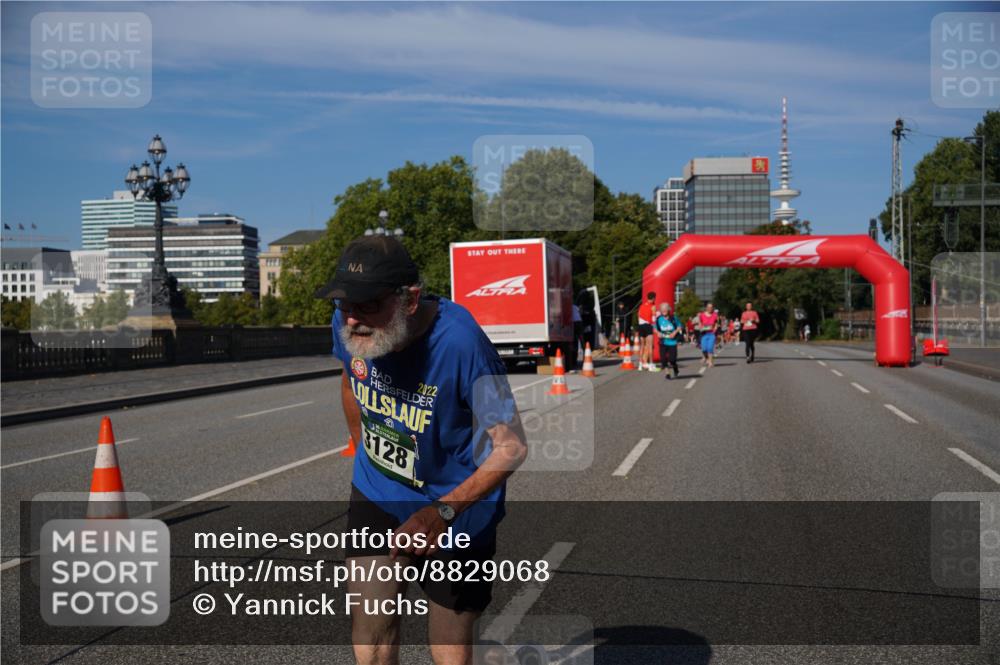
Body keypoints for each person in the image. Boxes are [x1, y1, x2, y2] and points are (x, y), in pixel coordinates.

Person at [318, 235, 529, 665]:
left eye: (369, 305)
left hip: (456, 509)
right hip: (379, 493)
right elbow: (349, 379)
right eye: (345, 305)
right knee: (372, 637)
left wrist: (441, 513)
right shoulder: (349, 324)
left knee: (449, 652)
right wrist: (366, 455)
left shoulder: (461, 343)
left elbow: (512, 446)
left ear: (410, 299)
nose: (354, 319)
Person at [655, 302, 682, 378]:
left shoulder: (673, 318)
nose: (664, 311)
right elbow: (655, 329)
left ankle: (675, 368)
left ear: (668, 309)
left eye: (665, 309)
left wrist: (674, 332)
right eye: (662, 309)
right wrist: (658, 333)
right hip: (663, 342)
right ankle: (667, 373)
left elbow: (679, 326)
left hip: (672, 342)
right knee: (663, 359)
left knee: (672, 360)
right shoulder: (658, 320)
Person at [637, 292, 657, 371]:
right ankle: (651, 364)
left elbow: (638, 314)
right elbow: (653, 319)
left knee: (642, 345)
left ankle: (640, 365)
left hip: (640, 326)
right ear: (653, 298)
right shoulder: (653, 306)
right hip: (648, 325)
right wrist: (655, 328)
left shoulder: (641, 306)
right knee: (650, 345)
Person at [697, 302, 720, 368]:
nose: (710, 308)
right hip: (704, 334)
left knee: (710, 348)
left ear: (713, 308)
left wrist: (715, 328)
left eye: (711, 307)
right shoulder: (702, 315)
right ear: (706, 308)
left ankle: (710, 362)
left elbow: (717, 323)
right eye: (708, 307)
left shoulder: (715, 315)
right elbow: (700, 322)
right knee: (704, 349)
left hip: (711, 334)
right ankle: (706, 358)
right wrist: (701, 327)